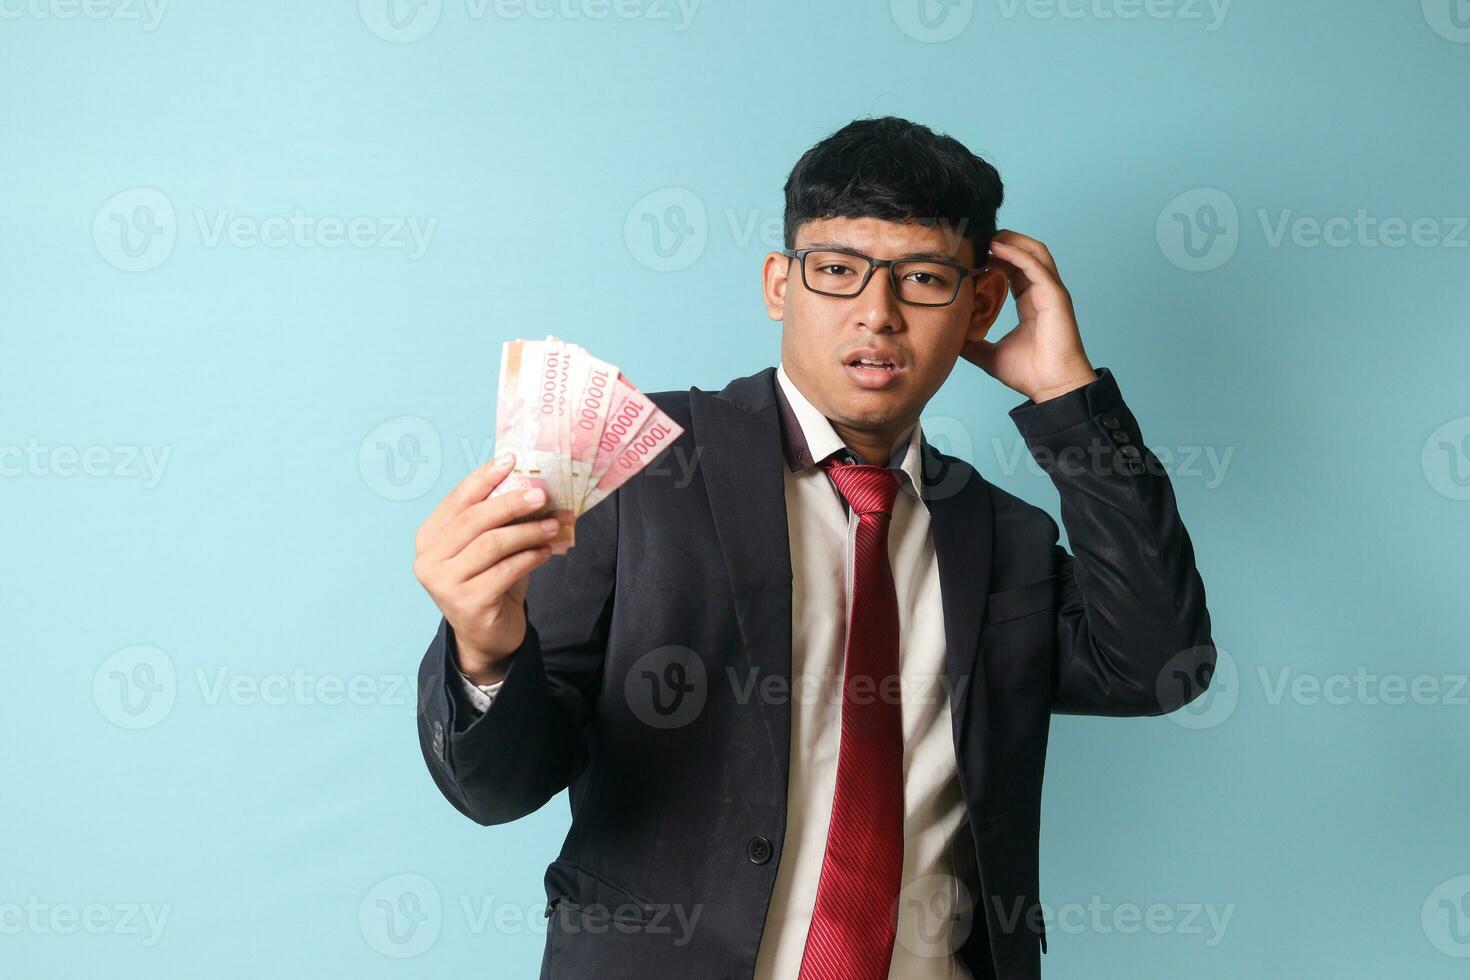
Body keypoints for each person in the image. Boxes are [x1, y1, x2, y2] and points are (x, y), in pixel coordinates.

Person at [411, 116, 1214, 980]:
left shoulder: (1002, 537)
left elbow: (1156, 665)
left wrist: (1070, 400)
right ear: (779, 285)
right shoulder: (639, 464)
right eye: (837, 271)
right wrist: (485, 652)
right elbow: (499, 789)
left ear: (981, 303)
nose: (878, 314)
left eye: (924, 279)